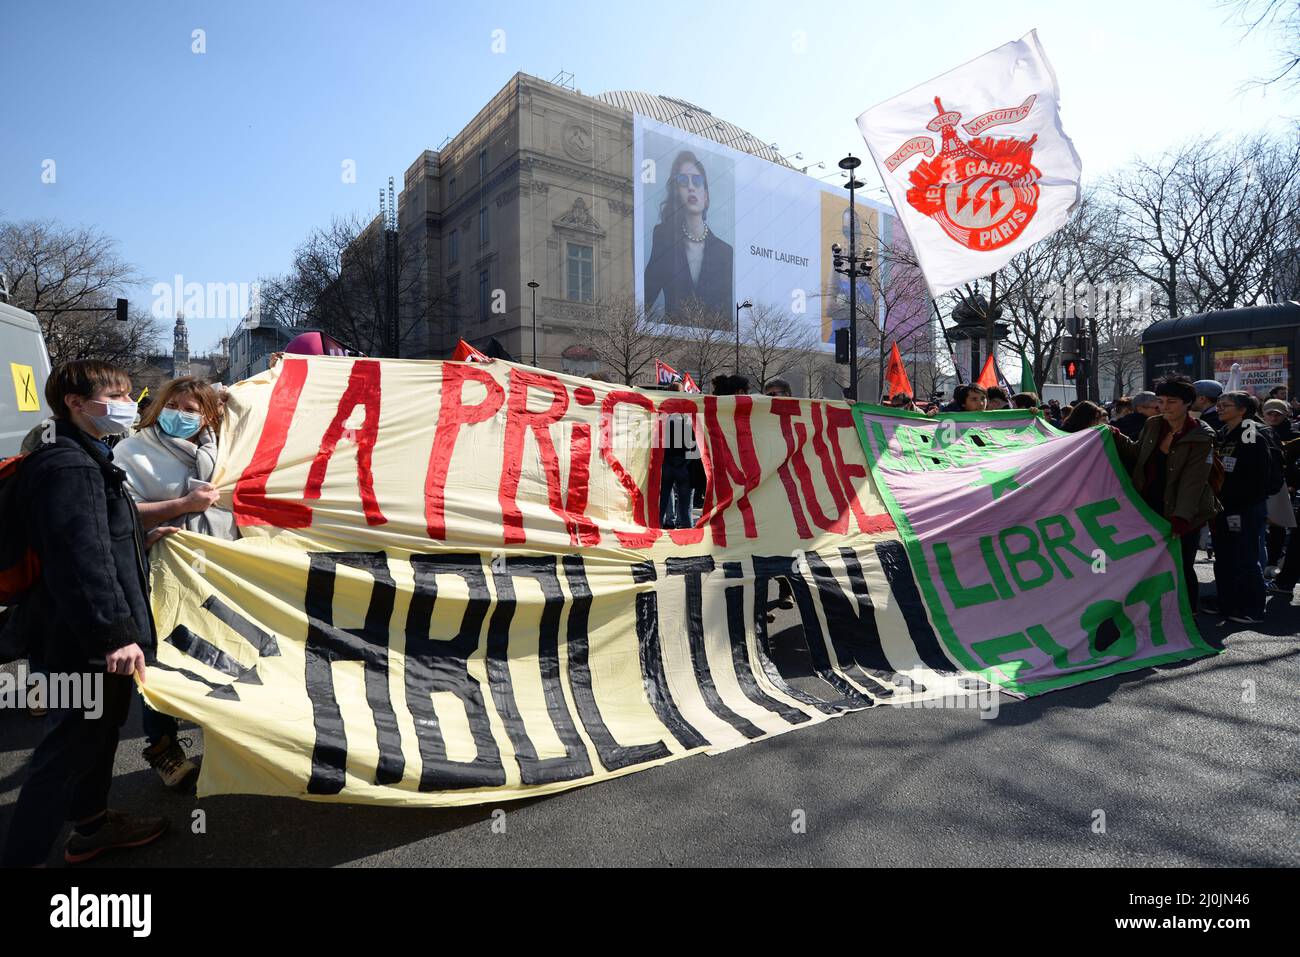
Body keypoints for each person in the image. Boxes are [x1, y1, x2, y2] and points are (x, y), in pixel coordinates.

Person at [0, 360, 170, 866]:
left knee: (96, 734)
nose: (126, 403)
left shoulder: (83, 454)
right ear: (74, 403)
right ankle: (22, 857)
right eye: (114, 394)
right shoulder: (69, 465)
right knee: (67, 747)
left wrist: (139, 537)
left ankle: (93, 825)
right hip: (81, 641)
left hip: (78, 635)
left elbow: (98, 535)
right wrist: (115, 636)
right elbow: (81, 560)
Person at [113, 376, 236, 788]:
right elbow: (120, 515)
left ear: (207, 415)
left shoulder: (220, 447)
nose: (180, 414)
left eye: (191, 409)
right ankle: (163, 749)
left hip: (216, 571)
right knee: (162, 664)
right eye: (174, 405)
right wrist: (183, 506)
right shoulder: (131, 450)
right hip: (160, 574)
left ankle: (224, 740)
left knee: (219, 658)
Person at [1111, 376, 1218, 615]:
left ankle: (1189, 618)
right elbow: (1138, 454)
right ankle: (1156, 616)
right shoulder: (1153, 424)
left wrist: (1181, 518)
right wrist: (1115, 436)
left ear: (1188, 403)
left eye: (1172, 401)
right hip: (1149, 506)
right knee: (1148, 566)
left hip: (1184, 512)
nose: (1164, 406)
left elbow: (1194, 481)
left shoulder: (1201, 435)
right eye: (1160, 401)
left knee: (1181, 566)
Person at [643, 151, 734, 323]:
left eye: (697, 181)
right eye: (683, 181)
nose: (691, 187)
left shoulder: (724, 252)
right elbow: (645, 297)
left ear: (706, 197)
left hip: (715, 346)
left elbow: (726, 316)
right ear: (677, 191)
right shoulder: (663, 237)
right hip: (671, 341)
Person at [1207, 391, 1272, 624]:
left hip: (1244, 507)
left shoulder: (1250, 433)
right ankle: (1227, 603)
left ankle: (1252, 609)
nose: (1219, 408)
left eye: (1226, 405)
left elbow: (1257, 476)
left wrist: (1237, 501)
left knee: (1246, 556)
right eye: (1218, 404)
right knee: (1225, 557)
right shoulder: (1223, 433)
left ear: (1242, 410)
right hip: (1224, 507)